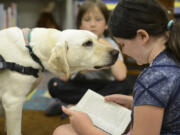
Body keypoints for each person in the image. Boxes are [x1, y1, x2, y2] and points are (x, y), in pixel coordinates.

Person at [52, 0, 180, 134]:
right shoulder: (173, 58)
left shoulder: (152, 79)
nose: (123, 52)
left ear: (143, 36)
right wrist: (134, 102)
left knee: (62, 132)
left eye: (122, 45)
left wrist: (86, 127)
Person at [45, 0, 133, 116]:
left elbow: (121, 76)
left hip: (103, 86)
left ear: (106, 24)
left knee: (126, 85)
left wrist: (105, 45)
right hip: (79, 85)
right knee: (54, 84)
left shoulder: (110, 43)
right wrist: (80, 66)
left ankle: (72, 106)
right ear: (80, 25)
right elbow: (63, 77)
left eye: (98, 19)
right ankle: (92, 107)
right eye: (87, 20)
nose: (92, 24)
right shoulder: (75, 43)